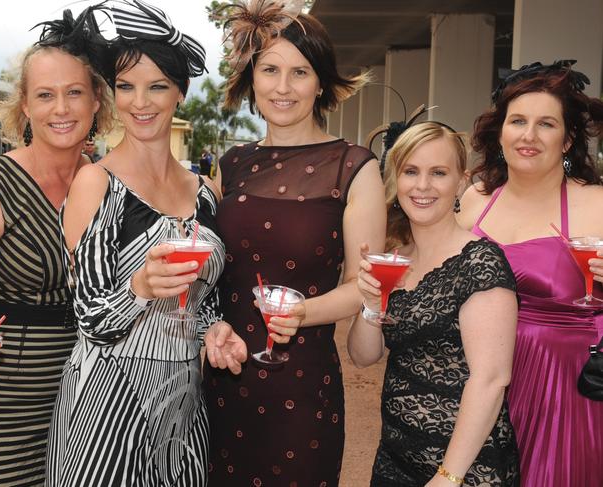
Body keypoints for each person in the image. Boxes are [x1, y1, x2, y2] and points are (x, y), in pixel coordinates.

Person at [44, 2, 246, 486]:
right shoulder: (97, 182)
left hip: (181, 402)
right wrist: (139, 285)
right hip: (106, 404)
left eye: (157, 86)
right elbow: (91, 318)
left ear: (179, 92)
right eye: (126, 87)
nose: (141, 102)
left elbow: (203, 304)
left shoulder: (206, 191)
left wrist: (216, 332)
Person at [202, 2, 386, 485]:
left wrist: (300, 313)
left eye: (299, 72)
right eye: (270, 70)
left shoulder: (355, 166)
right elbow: (212, 273)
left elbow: (363, 287)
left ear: (321, 82)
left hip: (303, 387)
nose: (282, 87)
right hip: (223, 377)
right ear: (252, 78)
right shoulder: (231, 164)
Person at [0, 8, 112, 486]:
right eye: (45, 95)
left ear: (96, 100)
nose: (60, 109)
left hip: (85, 407)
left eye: (74, 93)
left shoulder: (108, 183)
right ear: (24, 104)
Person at [349, 122, 520, 486]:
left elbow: (491, 379)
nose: (422, 186)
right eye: (411, 171)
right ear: (397, 179)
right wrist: (369, 304)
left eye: (438, 173)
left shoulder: (480, 262)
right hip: (395, 460)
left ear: (461, 182)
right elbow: (363, 357)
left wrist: (448, 476)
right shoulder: (395, 258)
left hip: (466, 469)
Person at [458, 60, 603, 486]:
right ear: (500, 131)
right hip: (477, 382)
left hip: (564, 390)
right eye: (518, 120)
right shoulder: (473, 201)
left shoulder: (597, 204)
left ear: (568, 139)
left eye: (546, 124)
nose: (529, 135)